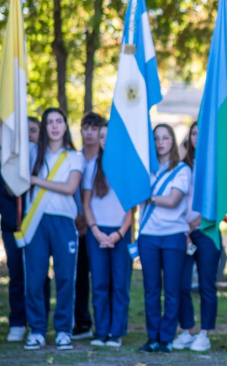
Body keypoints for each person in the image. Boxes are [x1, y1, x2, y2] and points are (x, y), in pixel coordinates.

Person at [21, 108, 85, 350]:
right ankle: (36, 330)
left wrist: (36, 180)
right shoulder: (31, 152)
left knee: (66, 278)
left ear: (65, 126)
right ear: (44, 127)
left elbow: (70, 188)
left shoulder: (74, 157)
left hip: (63, 222)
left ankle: (63, 330)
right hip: (36, 222)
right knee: (35, 278)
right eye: (50, 122)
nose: (55, 126)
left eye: (59, 121)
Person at [137, 124, 192, 353]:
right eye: (156, 138)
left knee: (172, 289)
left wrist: (146, 196)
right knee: (151, 290)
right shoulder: (144, 169)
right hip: (148, 236)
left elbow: (172, 201)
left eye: (165, 138)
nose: (160, 142)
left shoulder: (182, 170)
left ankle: (167, 338)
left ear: (172, 141)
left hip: (173, 236)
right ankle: (152, 337)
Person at [82, 121, 134, 348]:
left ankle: (116, 332)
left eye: (109, 136)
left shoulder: (126, 166)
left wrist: (119, 234)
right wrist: (95, 230)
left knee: (120, 283)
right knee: (100, 283)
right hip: (97, 232)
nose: (104, 140)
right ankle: (101, 331)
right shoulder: (92, 166)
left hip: (120, 232)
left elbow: (131, 208)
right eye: (102, 136)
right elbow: (86, 204)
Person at [172, 122, 221, 352]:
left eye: (202, 134)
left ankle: (205, 333)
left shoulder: (213, 168)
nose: (197, 137)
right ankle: (187, 329)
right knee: (181, 284)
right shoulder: (181, 167)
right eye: (193, 133)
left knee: (206, 285)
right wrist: (185, 228)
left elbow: (219, 203)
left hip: (207, 232)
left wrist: (196, 223)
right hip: (183, 232)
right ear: (188, 137)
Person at [1, 140, 51, 343]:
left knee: (39, 276)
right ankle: (18, 322)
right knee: (17, 275)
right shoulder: (5, 162)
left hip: (36, 224)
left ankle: (40, 322)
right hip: (12, 227)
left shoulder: (38, 159)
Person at [73, 112, 105, 341]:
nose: (90, 132)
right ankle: (82, 322)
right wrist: (77, 218)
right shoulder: (73, 158)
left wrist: (88, 220)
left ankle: (105, 323)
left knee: (102, 278)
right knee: (78, 277)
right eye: (86, 127)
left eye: (95, 128)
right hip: (73, 227)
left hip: (98, 227)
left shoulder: (107, 161)